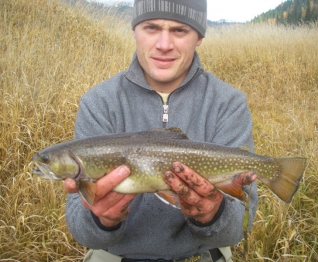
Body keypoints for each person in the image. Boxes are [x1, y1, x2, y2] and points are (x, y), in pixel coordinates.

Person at [64, 0, 258, 261]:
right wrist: (101, 220)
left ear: (199, 36)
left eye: (179, 30)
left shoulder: (228, 103)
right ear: (134, 30)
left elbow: (237, 228)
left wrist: (213, 214)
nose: (164, 45)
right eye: (151, 27)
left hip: (203, 254)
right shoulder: (99, 102)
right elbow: (83, 233)